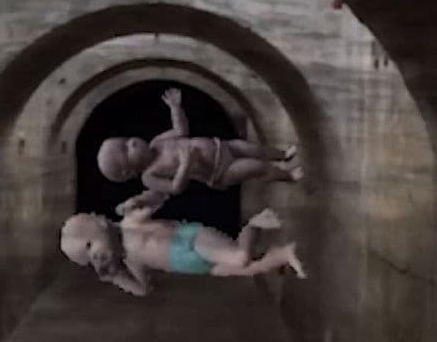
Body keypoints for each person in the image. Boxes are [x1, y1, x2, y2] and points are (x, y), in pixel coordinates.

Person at [96, 88, 302, 215]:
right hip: (219, 171)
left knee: (254, 149)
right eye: (126, 149)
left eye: (126, 140)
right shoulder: (149, 176)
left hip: (222, 146)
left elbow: (181, 131)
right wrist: (185, 165)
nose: (131, 142)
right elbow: (175, 188)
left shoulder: (157, 142)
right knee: (257, 167)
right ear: (129, 171)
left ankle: (283, 155)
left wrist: (175, 109)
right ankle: (288, 176)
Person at [59, 206, 306, 296]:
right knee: (248, 269)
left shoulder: (129, 224)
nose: (95, 256)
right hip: (192, 265)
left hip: (189, 239)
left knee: (240, 258)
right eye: (90, 260)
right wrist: (117, 278)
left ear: (99, 226)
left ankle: (258, 224)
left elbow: (155, 201)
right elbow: (143, 289)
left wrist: (140, 204)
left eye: (90, 245)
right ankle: (282, 253)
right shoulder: (131, 259)